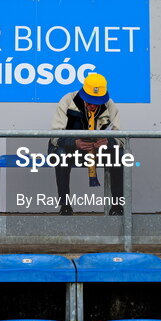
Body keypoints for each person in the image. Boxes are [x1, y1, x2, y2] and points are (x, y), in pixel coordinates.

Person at [48, 73, 125, 216]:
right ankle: (65, 206)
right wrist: (74, 142)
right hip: (72, 150)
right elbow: (54, 136)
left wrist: (109, 142)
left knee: (119, 155)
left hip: (97, 151)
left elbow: (122, 138)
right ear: (83, 94)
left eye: (97, 102)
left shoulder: (110, 105)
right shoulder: (67, 101)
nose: (92, 106)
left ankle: (117, 206)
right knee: (61, 155)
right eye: (89, 101)